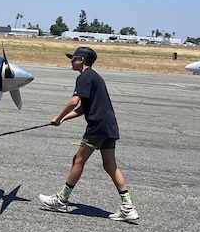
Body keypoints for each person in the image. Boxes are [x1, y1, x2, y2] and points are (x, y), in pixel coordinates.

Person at [38, 46, 139, 221]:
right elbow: (82, 108)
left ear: (82, 60)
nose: (71, 61)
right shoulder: (94, 77)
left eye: (74, 58)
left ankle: (61, 200)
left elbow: (74, 101)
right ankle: (128, 206)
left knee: (78, 160)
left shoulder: (84, 77)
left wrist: (60, 116)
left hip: (97, 127)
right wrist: (61, 119)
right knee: (109, 165)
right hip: (109, 126)